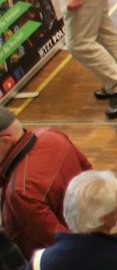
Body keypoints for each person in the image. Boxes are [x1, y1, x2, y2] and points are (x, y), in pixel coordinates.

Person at [0, 107, 91, 255]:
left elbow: (57, 239)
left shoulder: (20, 191)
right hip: (86, 226)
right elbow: (87, 170)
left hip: (46, 264)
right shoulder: (50, 134)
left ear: (4, 141)